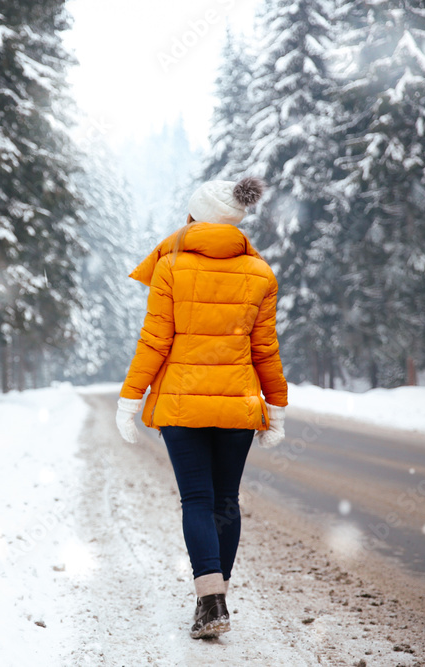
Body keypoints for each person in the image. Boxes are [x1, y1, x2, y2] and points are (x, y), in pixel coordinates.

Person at [114, 176, 288, 640]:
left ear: (194, 216)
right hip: (237, 405)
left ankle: (209, 602)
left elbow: (155, 341)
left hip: (181, 406)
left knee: (197, 499)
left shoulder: (170, 267)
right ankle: (216, 602)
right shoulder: (260, 273)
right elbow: (265, 350)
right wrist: (278, 407)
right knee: (225, 500)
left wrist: (130, 399)